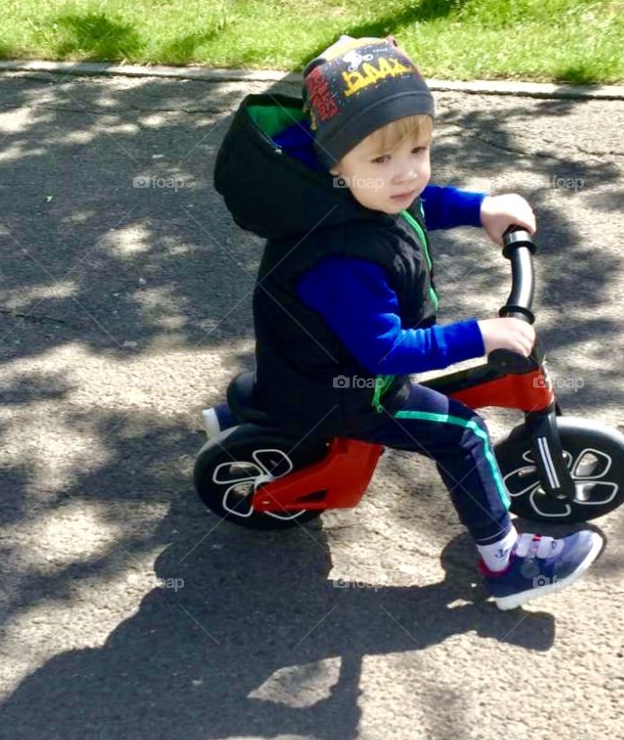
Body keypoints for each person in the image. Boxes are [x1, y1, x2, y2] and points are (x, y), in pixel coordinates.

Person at [212, 34, 603, 609]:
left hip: (315, 367)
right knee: (463, 433)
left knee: (446, 408)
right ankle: (507, 562)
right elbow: (386, 352)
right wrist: (481, 335)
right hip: (353, 390)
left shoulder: (359, 195)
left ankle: (241, 422)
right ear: (333, 165)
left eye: (419, 150)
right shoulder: (339, 258)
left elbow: (423, 201)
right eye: (382, 159)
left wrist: (480, 207)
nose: (407, 174)